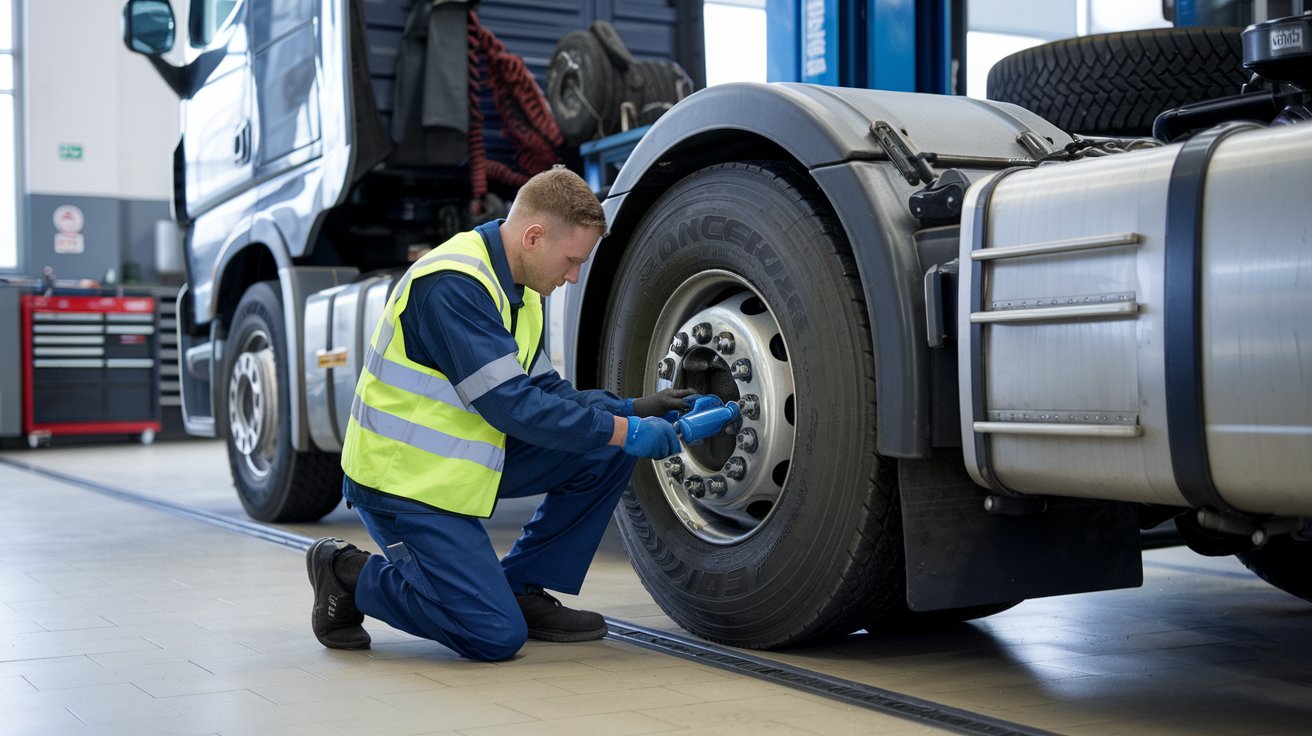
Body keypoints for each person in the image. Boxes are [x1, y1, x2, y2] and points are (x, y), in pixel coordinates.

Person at [306, 166, 697, 662]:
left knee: (604, 448)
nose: (574, 276)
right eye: (573, 260)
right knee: (492, 635)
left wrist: (629, 408)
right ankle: (348, 573)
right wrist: (626, 428)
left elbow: (543, 390)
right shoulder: (453, 286)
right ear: (534, 236)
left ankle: (522, 588)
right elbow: (513, 407)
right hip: (405, 484)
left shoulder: (520, 290)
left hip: (461, 463)